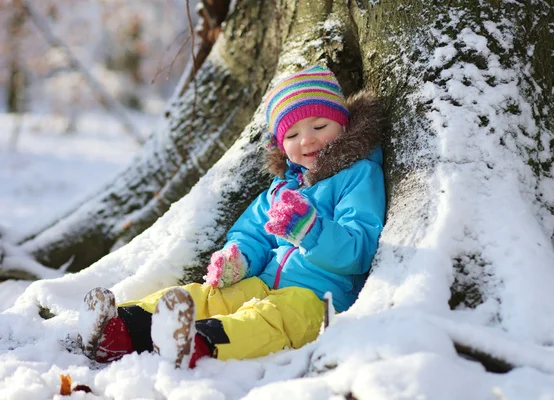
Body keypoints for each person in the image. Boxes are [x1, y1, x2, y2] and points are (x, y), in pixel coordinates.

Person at [76, 65, 386, 369]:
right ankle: (120, 329)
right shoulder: (281, 188)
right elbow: (252, 233)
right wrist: (238, 259)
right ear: (281, 145)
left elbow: (359, 250)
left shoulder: (357, 175)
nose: (307, 140)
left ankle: (196, 343)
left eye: (319, 127)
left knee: (267, 320)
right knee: (211, 295)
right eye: (292, 133)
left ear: (343, 125)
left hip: (317, 299)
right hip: (264, 282)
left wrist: (311, 230)